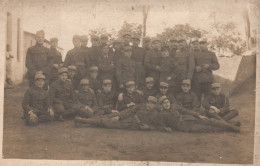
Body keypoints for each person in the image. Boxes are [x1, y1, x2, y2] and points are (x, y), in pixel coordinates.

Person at [74, 96, 164, 131]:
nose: (148, 105)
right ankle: (82, 122)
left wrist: (148, 127)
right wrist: (119, 116)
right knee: (106, 116)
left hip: (129, 124)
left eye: (151, 104)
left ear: (155, 105)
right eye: (148, 102)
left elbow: (157, 126)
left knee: (105, 122)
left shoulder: (156, 114)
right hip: (124, 116)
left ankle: (81, 120)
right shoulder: (141, 105)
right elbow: (129, 111)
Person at [158, 96, 240, 132]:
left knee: (212, 121)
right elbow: (159, 125)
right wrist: (165, 128)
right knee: (209, 129)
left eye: (167, 102)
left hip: (190, 118)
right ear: (161, 105)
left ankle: (233, 127)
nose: (166, 104)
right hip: (186, 127)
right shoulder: (162, 114)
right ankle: (231, 129)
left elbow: (186, 111)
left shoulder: (174, 106)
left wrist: (198, 115)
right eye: (164, 103)